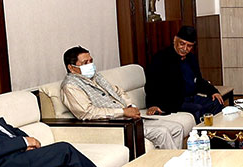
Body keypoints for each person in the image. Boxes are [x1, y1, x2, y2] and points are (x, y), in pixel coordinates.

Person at [60, 46, 193, 150]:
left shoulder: (96, 76)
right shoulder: (71, 86)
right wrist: (122, 112)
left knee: (176, 128)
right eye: (85, 63)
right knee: (161, 132)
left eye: (91, 61)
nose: (90, 65)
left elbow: (118, 91)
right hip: (115, 125)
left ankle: (171, 161)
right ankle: (174, 165)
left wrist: (130, 106)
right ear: (71, 68)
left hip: (129, 118)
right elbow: (87, 113)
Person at [147, 25, 227, 120]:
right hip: (172, 101)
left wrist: (213, 91)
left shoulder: (191, 58)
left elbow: (198, 81)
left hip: (191, 98)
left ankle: (216, 129)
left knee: (216, 102)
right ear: (175, 40)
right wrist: (153, 105)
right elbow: (151, 85)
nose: (185, 48)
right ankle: (201, 130)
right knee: (198, 109)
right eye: (182, 44)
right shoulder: (161, 58)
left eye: (189, 46)